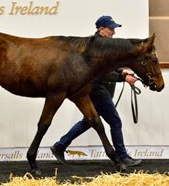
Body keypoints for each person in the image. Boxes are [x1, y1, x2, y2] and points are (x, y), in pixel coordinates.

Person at [50, 15, 142, 168]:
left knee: (88, 122)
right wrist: (123, 78)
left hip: (96, 89)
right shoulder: (97, 48)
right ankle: (122, 156)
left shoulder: (102, 46)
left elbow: (107, 67)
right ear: (101, 29)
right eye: (111, 29)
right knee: (115, 121)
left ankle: (60, 146)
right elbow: (101, 73)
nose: (114, 32)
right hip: (97, 90)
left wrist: (122, 72)